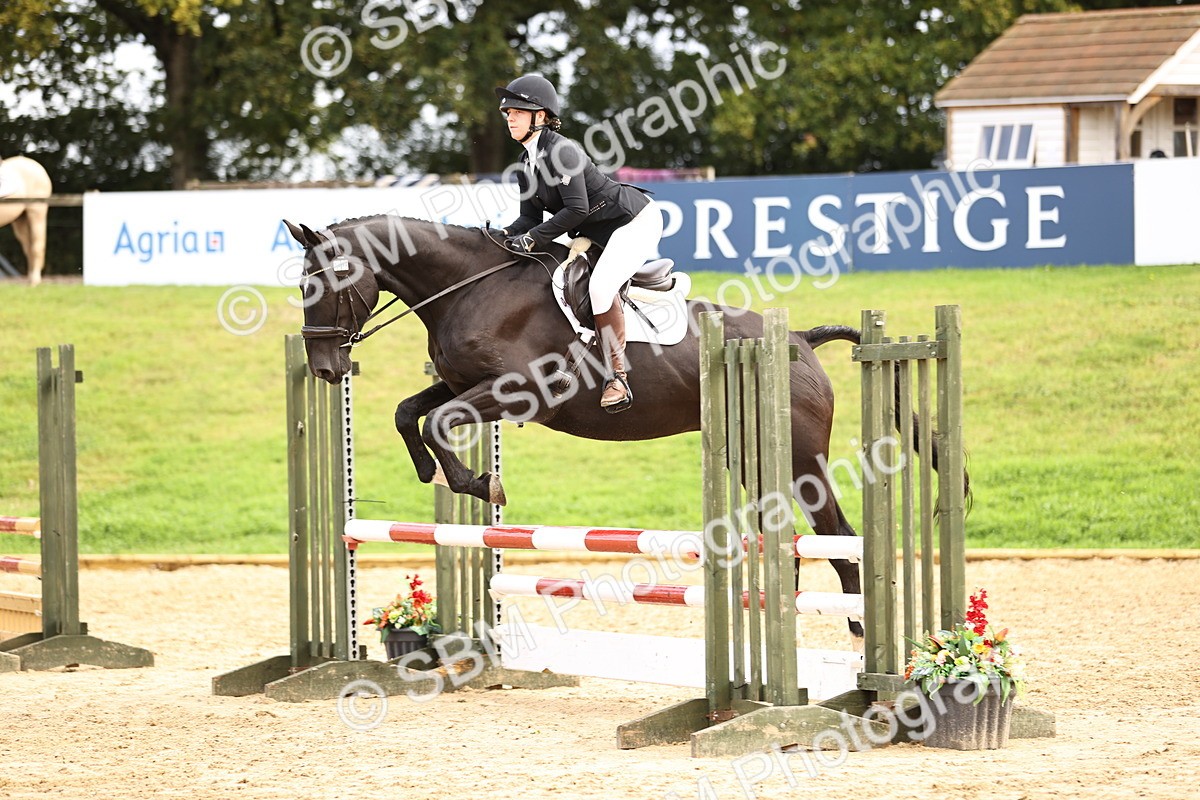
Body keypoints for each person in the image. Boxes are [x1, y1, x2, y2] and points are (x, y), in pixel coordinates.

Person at [494, 74, 664, 414]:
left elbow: (577, 209)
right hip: (597, 232)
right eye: (507, 111)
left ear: (539, 116)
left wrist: (532, 239)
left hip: (633, 222)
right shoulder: (525, 165)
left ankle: (618, 377)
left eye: (517, 110)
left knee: (601, 288)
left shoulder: (563, 152)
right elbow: (530, 219)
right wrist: (500, 238)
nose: (509, 116)